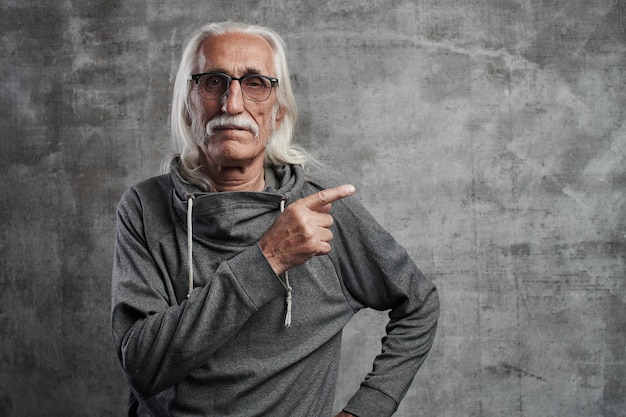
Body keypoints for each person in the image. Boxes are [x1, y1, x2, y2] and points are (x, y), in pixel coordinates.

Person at [111, 21, 439, 417]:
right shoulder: (144, 206)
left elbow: (418, 303)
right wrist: (267, 258)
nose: (232, 105)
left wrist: (369, 408)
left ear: (278, 110)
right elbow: (143, 368)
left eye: (255, 84)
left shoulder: (320, 207)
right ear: (188, 103)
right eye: (213, 82)